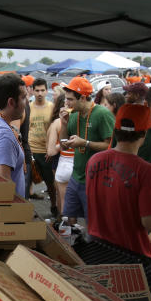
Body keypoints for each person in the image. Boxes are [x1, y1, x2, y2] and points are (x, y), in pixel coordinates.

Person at [85, 103, 151, 257]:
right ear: (144, 134)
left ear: (116, 130)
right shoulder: (147, 172)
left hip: (95, 248)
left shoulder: (94, 160)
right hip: (131, 254)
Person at [60, 76, 114, 223]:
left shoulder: (102, 114)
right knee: (68, 218)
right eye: (66, 99)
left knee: (94, 224)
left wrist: (85, 143)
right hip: (76, 176)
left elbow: (111, 146)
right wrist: (64, 124)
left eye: (70, 99)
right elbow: (64, 143)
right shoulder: (74, 115)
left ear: (83, 98)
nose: (66, 103)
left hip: (96, 180)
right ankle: (72, 244)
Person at [28, 78, 57, 213]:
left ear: (46, 91)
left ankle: (54, 206)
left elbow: (55, 129)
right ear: (33, 91)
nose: (39, 93)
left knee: (50, 183)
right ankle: (26, 210)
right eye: (37, 90)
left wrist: (52, 149)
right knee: (26, 183)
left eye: (42, 90)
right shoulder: (28, 107)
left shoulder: (52, 107)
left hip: (46, 151)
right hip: (32, 151)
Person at [47, 94, 70, 219]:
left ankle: (63, 224)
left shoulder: (57, 122)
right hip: (64, 161)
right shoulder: (58, 122)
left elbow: (50, 150)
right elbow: (50, 150)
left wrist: (61, 145)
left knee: (63, 197)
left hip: (63, 162)